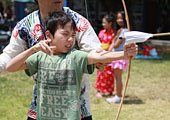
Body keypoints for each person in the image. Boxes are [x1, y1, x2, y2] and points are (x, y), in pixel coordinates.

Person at [6, 11, 138, 119]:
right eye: (65, 34)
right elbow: (10, 67)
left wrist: (124, 54)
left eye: (73, 35)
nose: (70, 39)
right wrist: (32, 49)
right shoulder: (40, 56)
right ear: (49, 35)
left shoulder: (76, 56)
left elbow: (98, 56)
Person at [0, 0, 102, 120]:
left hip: (77, 111)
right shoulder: (25, 26)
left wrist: (101, 57)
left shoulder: (78, 21)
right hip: (41, 110)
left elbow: (94, 50)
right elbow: (8, 58)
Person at [107, 11, 129, 104]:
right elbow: (113, 44)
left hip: (119, 56)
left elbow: (115, 45)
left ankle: (118, 96)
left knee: (118, 78)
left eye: (121, 18)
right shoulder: (120, 30)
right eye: (118, 18)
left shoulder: (124, 31)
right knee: (117, 77)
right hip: (116, 56)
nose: (119, 20)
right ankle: (117, 95)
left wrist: (112, 44)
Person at [95, 13, 115, 98]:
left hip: (109, 54)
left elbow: (112, 44)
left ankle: (110, 91)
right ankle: (99, 91)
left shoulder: (113, 33)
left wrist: (108, 52)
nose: (103, 25)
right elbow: (98, 42)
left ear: (110, 23)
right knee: (100, 72)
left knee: (109, 73)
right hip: (101, 53)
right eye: (102, 23)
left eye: (105, 23)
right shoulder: (101, 32)